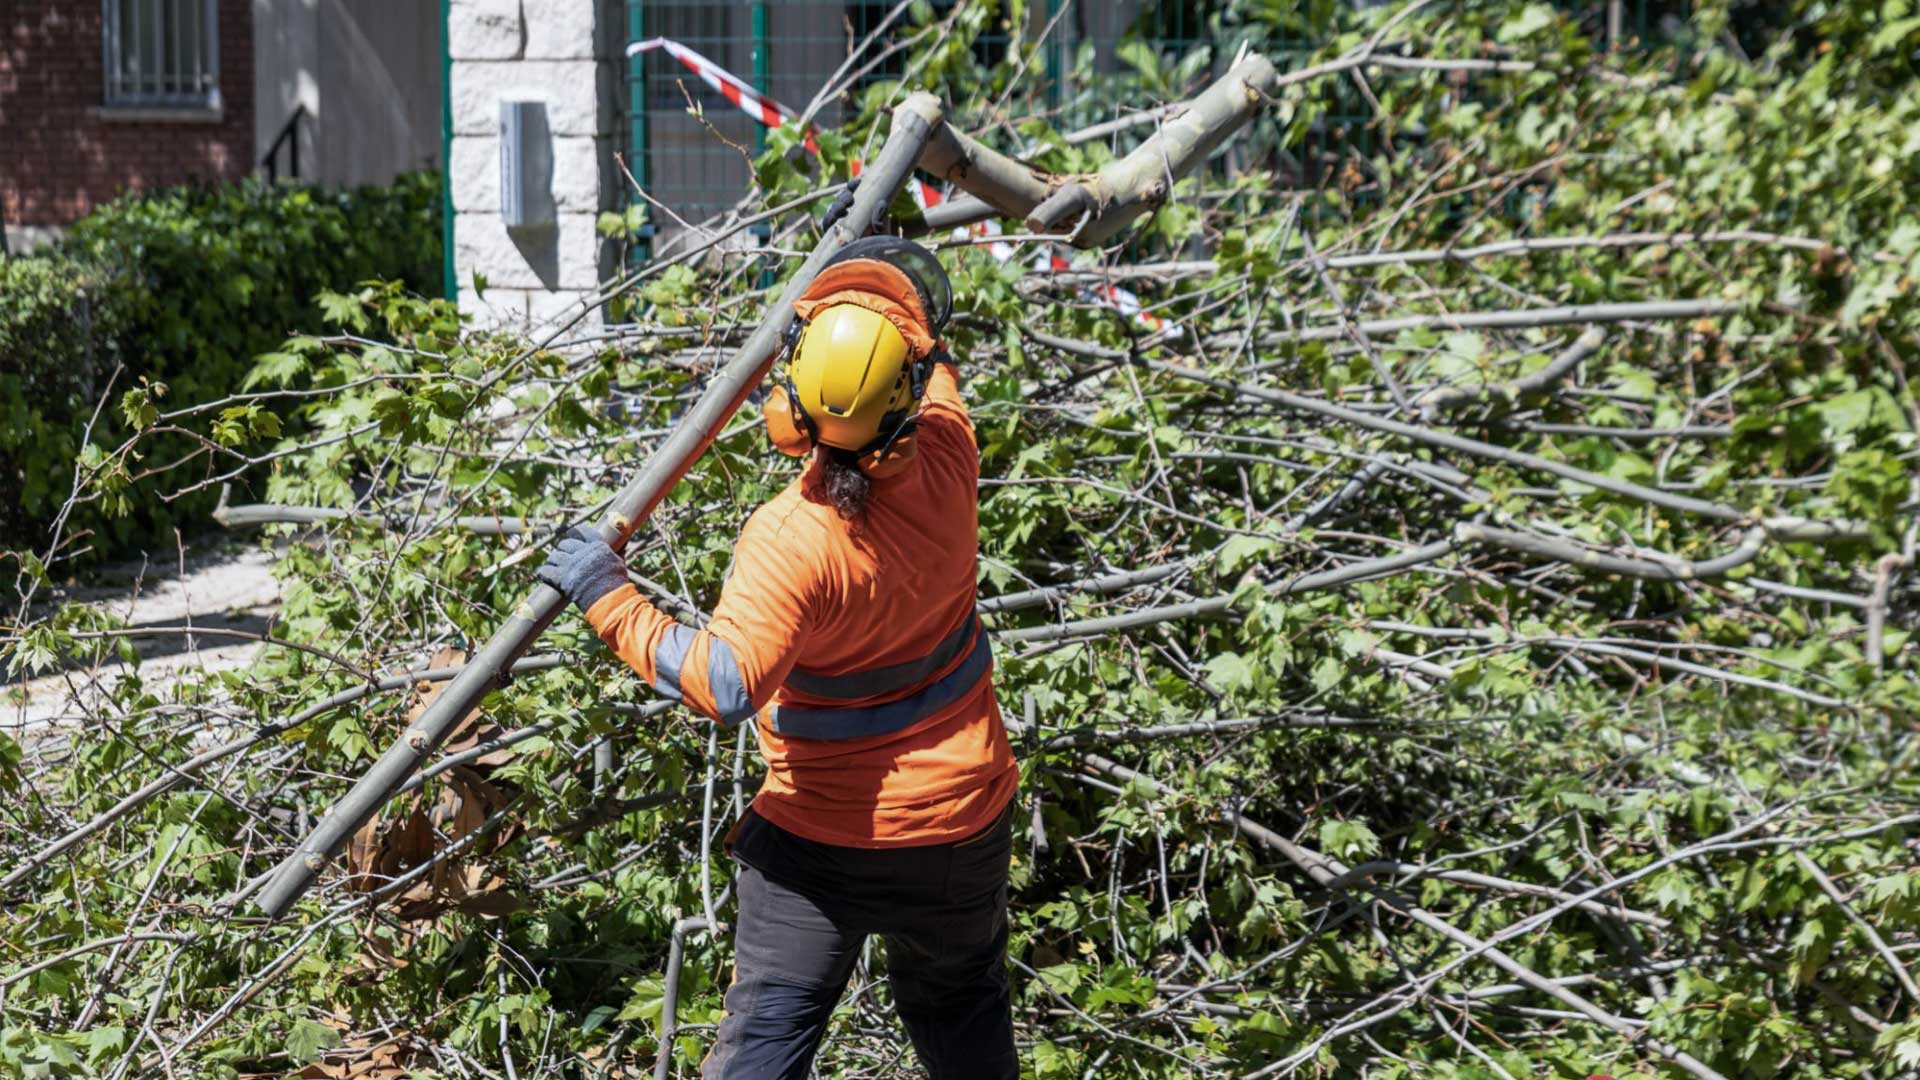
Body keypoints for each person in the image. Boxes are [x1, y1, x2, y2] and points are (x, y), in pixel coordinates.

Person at [537, 237, 1018, 1080]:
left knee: (760, 1054)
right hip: (960, 826)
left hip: (823, 845)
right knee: (963, 1015)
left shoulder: (790, 539)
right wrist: (874, 281)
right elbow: (931, 350)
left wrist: (606, 594)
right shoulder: (949, 453)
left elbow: (725, 682)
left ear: (791, 410)